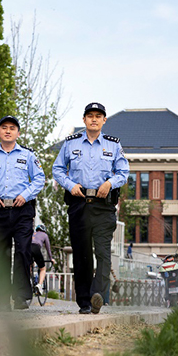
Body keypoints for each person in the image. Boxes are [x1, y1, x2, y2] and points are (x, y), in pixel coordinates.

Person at [53, 102, 129, 314]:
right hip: (79, 205)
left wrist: (109, 183)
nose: (94, 119)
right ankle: (84, 302)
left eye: (98, 116)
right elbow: (58, 169)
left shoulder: (114, 145)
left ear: (104, 120)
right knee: (82, 255)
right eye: (90, 116)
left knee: (103, 253)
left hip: (103, 207)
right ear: (84, 120)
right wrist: (70, 185)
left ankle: (97, 294)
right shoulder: (71, 144)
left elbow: (123, 172)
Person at [0, 115, 45, 312]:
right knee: (0, 255)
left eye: (12, 128)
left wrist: (25, 194)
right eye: (4, 127)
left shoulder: (28, 155)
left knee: (22, 252)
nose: (8, 131)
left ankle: (21, 297)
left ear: (18, 133)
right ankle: (2, 301)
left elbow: (39, 179)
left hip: (22, 210)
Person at [31, 223, 54, 296]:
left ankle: (28, 281)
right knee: (42, 269)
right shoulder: (44, 235)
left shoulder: (32, 233)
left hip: (27, 248)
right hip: (36, 248)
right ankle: (39, 285)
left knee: (29, 266)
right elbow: (48, 248)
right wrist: (51, 258)